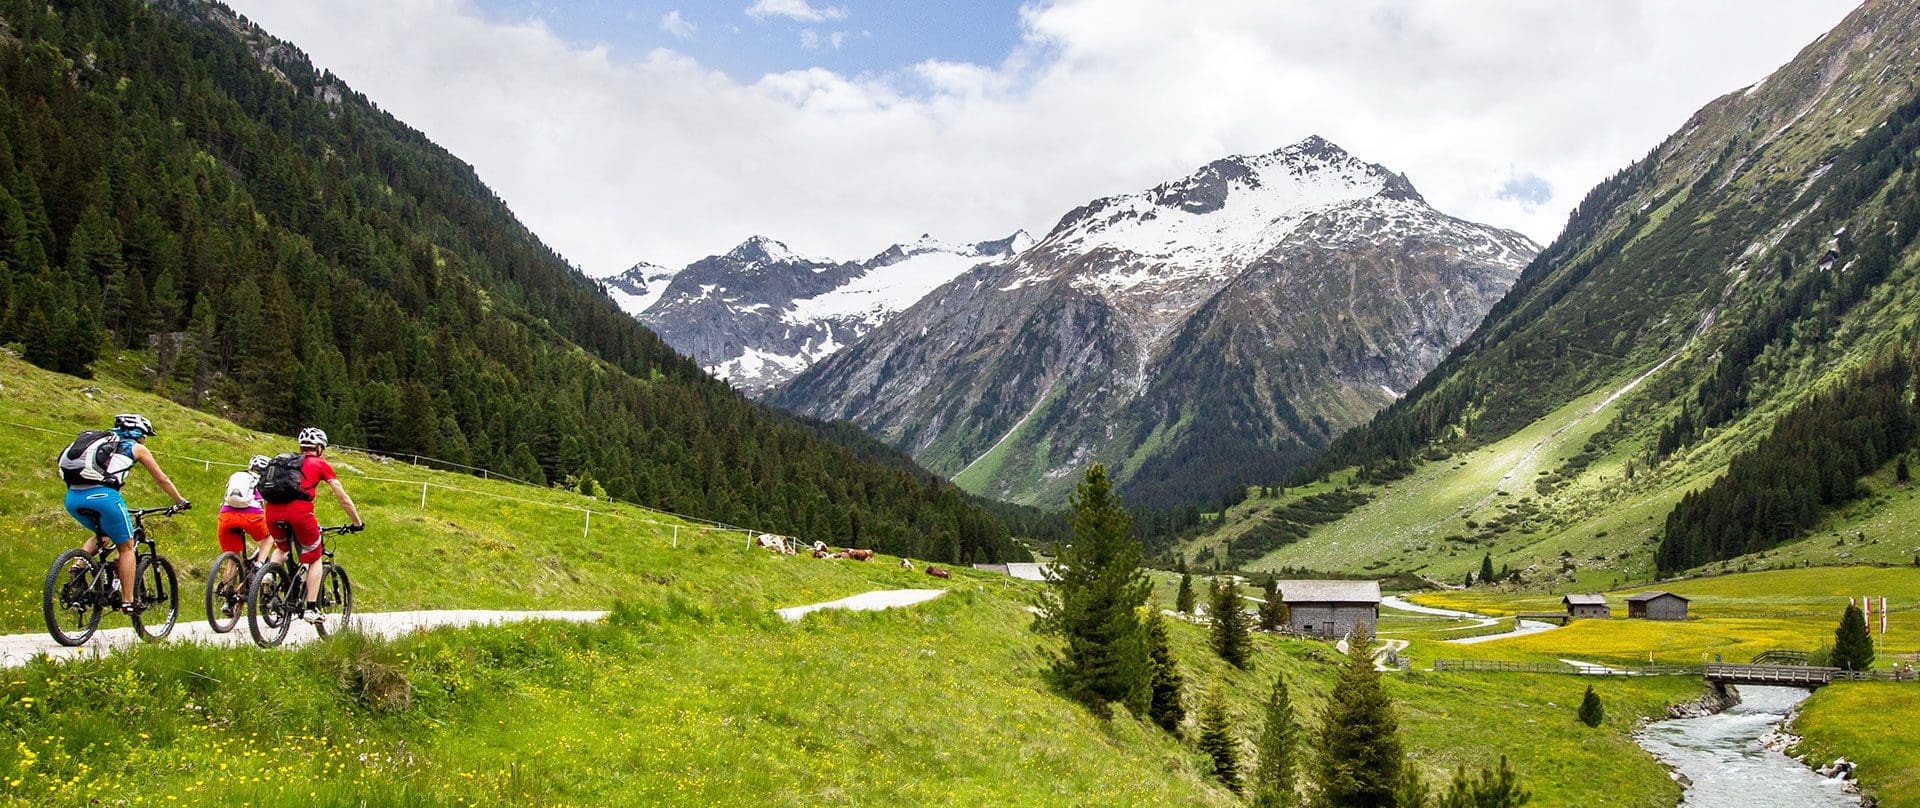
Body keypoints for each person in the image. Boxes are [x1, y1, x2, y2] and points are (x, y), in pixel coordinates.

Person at [60, 414, 190, 613]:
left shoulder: (101, 442)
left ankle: (78, 567)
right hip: (104, 497)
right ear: (139, 433)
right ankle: (129, 601)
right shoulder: (136, 447)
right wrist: (180, 501)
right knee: (127, 547)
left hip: (72, 497)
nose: (146, 440)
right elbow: (162, 479)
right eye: (146, 435)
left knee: (102, 535)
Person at [261, 428, 362, 627]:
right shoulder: (320, 463)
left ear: (300, 447)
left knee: (281, 548)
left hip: (271, 513)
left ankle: (269, 574)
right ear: (319, 448)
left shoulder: (284, 462)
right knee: (314, 557)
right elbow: (342, 498)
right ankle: (311, 608)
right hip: (300, 515)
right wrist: (357, 522)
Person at [218, 455, 274, 563]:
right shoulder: (265, 482)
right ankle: (260, 566)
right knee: (270, 535)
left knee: (233, 559)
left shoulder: (239, 477)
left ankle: (229, 579)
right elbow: (269, 505)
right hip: (252, 517)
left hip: (226, 516)